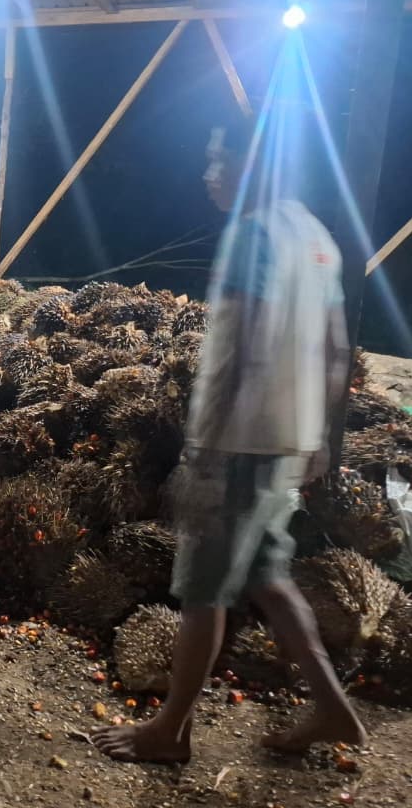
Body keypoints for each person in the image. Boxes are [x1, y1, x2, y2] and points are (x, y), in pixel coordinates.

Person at [96, 115, 363, 763]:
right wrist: (316, 438)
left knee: (202, 590)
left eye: (221, 158)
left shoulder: (253, 236)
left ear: (258, 163)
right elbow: (336, 351)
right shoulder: (316, 237)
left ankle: (170, 732)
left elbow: (237, 352)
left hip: (239, 446)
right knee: (269, 577)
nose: (209, 172)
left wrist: (205, 452)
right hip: (285, 445)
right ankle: (332, 707)